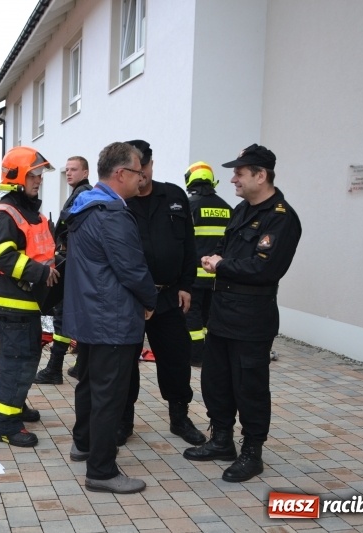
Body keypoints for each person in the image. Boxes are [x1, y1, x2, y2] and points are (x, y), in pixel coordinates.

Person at [183, 144, 302, 483]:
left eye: (240, 172)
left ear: (260, 176)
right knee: (215, 380)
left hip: (252, 317)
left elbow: (264, 269)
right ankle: (221, 440)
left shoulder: (281, 218)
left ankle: (252, 451)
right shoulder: (241, 210)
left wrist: (221, 264)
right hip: (221, 313)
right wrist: (215, 258)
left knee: (249, 386)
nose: (232, 178)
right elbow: (225, 248)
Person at [63, 142, 157, 494]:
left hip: (90, 314)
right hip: (112, 317)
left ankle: (84, 443)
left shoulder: (85, 207)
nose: (142, 178)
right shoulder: (112, 214)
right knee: (109, 395)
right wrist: (150, 300)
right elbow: (132, 269)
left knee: (90, 384)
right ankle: (101, 471)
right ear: (120, 174)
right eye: (137, 172)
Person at [119, 140, 206, 447]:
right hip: (129, 298)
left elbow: (188, 245)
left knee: (175, 359)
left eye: (145, 169)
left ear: (151, 165)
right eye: (135, 170)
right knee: (126, 360)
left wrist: (186, 284)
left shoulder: (174, 196)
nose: (140, 176)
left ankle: (179, 417)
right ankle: (123, 420)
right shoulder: (120, 201)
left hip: (168, 296)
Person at [0, 146, 59, 447]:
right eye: (34, 174)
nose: (39, 179)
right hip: (14, 302)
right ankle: (5, 425)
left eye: (40, 174)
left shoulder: (28, 210)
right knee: (17, 362)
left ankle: (16, 405)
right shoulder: (6, 212)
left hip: (27, 301)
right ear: (17, 177)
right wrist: (39, 273)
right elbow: (1, 255)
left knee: (26, 359)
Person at [34, 155, 92, 385]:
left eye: (74, 169)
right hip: (77, 262)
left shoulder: (83, 194)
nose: (68, 173)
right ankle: (81, 366)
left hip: (73, 263)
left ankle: (54, 368)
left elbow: (74, 227)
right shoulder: (80, 193)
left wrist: (62, 242)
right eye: (67, 169)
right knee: (79, 314)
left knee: (62, 314)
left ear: (85, 172)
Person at [184, 162, 232, 366]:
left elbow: (183, 242)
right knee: (209, 317)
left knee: (192, 315)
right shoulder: (227, 208)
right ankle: (210, 354)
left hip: (195, 276)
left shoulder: (189, 206)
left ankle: (195, 356)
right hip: (217, 275)